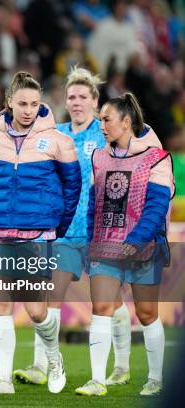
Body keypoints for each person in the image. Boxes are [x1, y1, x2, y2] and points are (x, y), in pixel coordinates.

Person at [14, 67, 133, 386]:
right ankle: (43, 365)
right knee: (50, 296)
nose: (76, 102)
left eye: (83, 96)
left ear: (95, 101)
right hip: (65, 232)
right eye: (71, 97)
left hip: (99, 233)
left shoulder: (105, 134)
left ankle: (121, 368)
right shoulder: (56, 134)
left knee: (110, 303)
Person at [0, 71, 82, 394]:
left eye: (34, 104)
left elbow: (72, 188)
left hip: (37, 237)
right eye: (22, 103)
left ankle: (53, 357)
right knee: (1, 306)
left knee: (37, 310)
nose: (28, 110)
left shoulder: (58, 142)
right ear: (9, 102)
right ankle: (3, 379)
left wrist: (54, 227)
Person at [75, 93, 174, 397]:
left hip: (143, 247)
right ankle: (97, 380)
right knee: (101, 308)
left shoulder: (157, 157)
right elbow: (93, 204)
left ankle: (155, 379)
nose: (101, 125)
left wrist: (136, 241)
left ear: (126, 122)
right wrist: (91, 242)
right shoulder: (99, 157)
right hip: (105, 246)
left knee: (146, 314)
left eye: (106, 119)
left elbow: (157, 207)